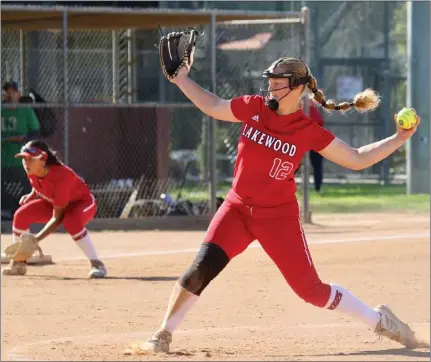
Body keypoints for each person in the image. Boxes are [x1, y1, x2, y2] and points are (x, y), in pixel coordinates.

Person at [125, 56, 423, 354]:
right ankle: (162, 335)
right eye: (269, 80)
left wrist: (399, 138)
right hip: (237, 210)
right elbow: (213, 106)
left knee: (312, 292)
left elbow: (357, 158)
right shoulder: (254, 107)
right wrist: (182, 80)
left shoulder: (306, 129)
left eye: (277, 83)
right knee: (200, 270)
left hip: (278, 219)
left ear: (296, 87)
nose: (270, 87)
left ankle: (380, 320)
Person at [4, 140, 107, 278]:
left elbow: (58, 218)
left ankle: (97, 264)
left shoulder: (61, 177)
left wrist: (35, 239)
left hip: (81, 203)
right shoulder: (33, 169)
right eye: (24, 159)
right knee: (21, 215)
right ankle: (19, 263)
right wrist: (32, 195)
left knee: (71, 220)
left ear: (43, 159)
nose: (26, 162)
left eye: (30, 159)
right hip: (55, 202)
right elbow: (37, 183)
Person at [1, 81, 41, 219]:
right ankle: (5, 212)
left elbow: (35, 132)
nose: (10, 95)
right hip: (3, 159)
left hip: (22, 160)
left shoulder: (25, 110)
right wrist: (7, 139)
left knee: (27, 187)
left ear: (18, 94)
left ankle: (25, 212)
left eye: (13, 92)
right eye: (7, 92)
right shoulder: (1, 110)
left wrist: (24, 138)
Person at [301, 99, 325, 192]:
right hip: (302, 141)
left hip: (314, 141)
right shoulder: (299, 109)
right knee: (294, 164)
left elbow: (319, 123)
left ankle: (318, 187)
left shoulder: (312, 110)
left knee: (317, 164)